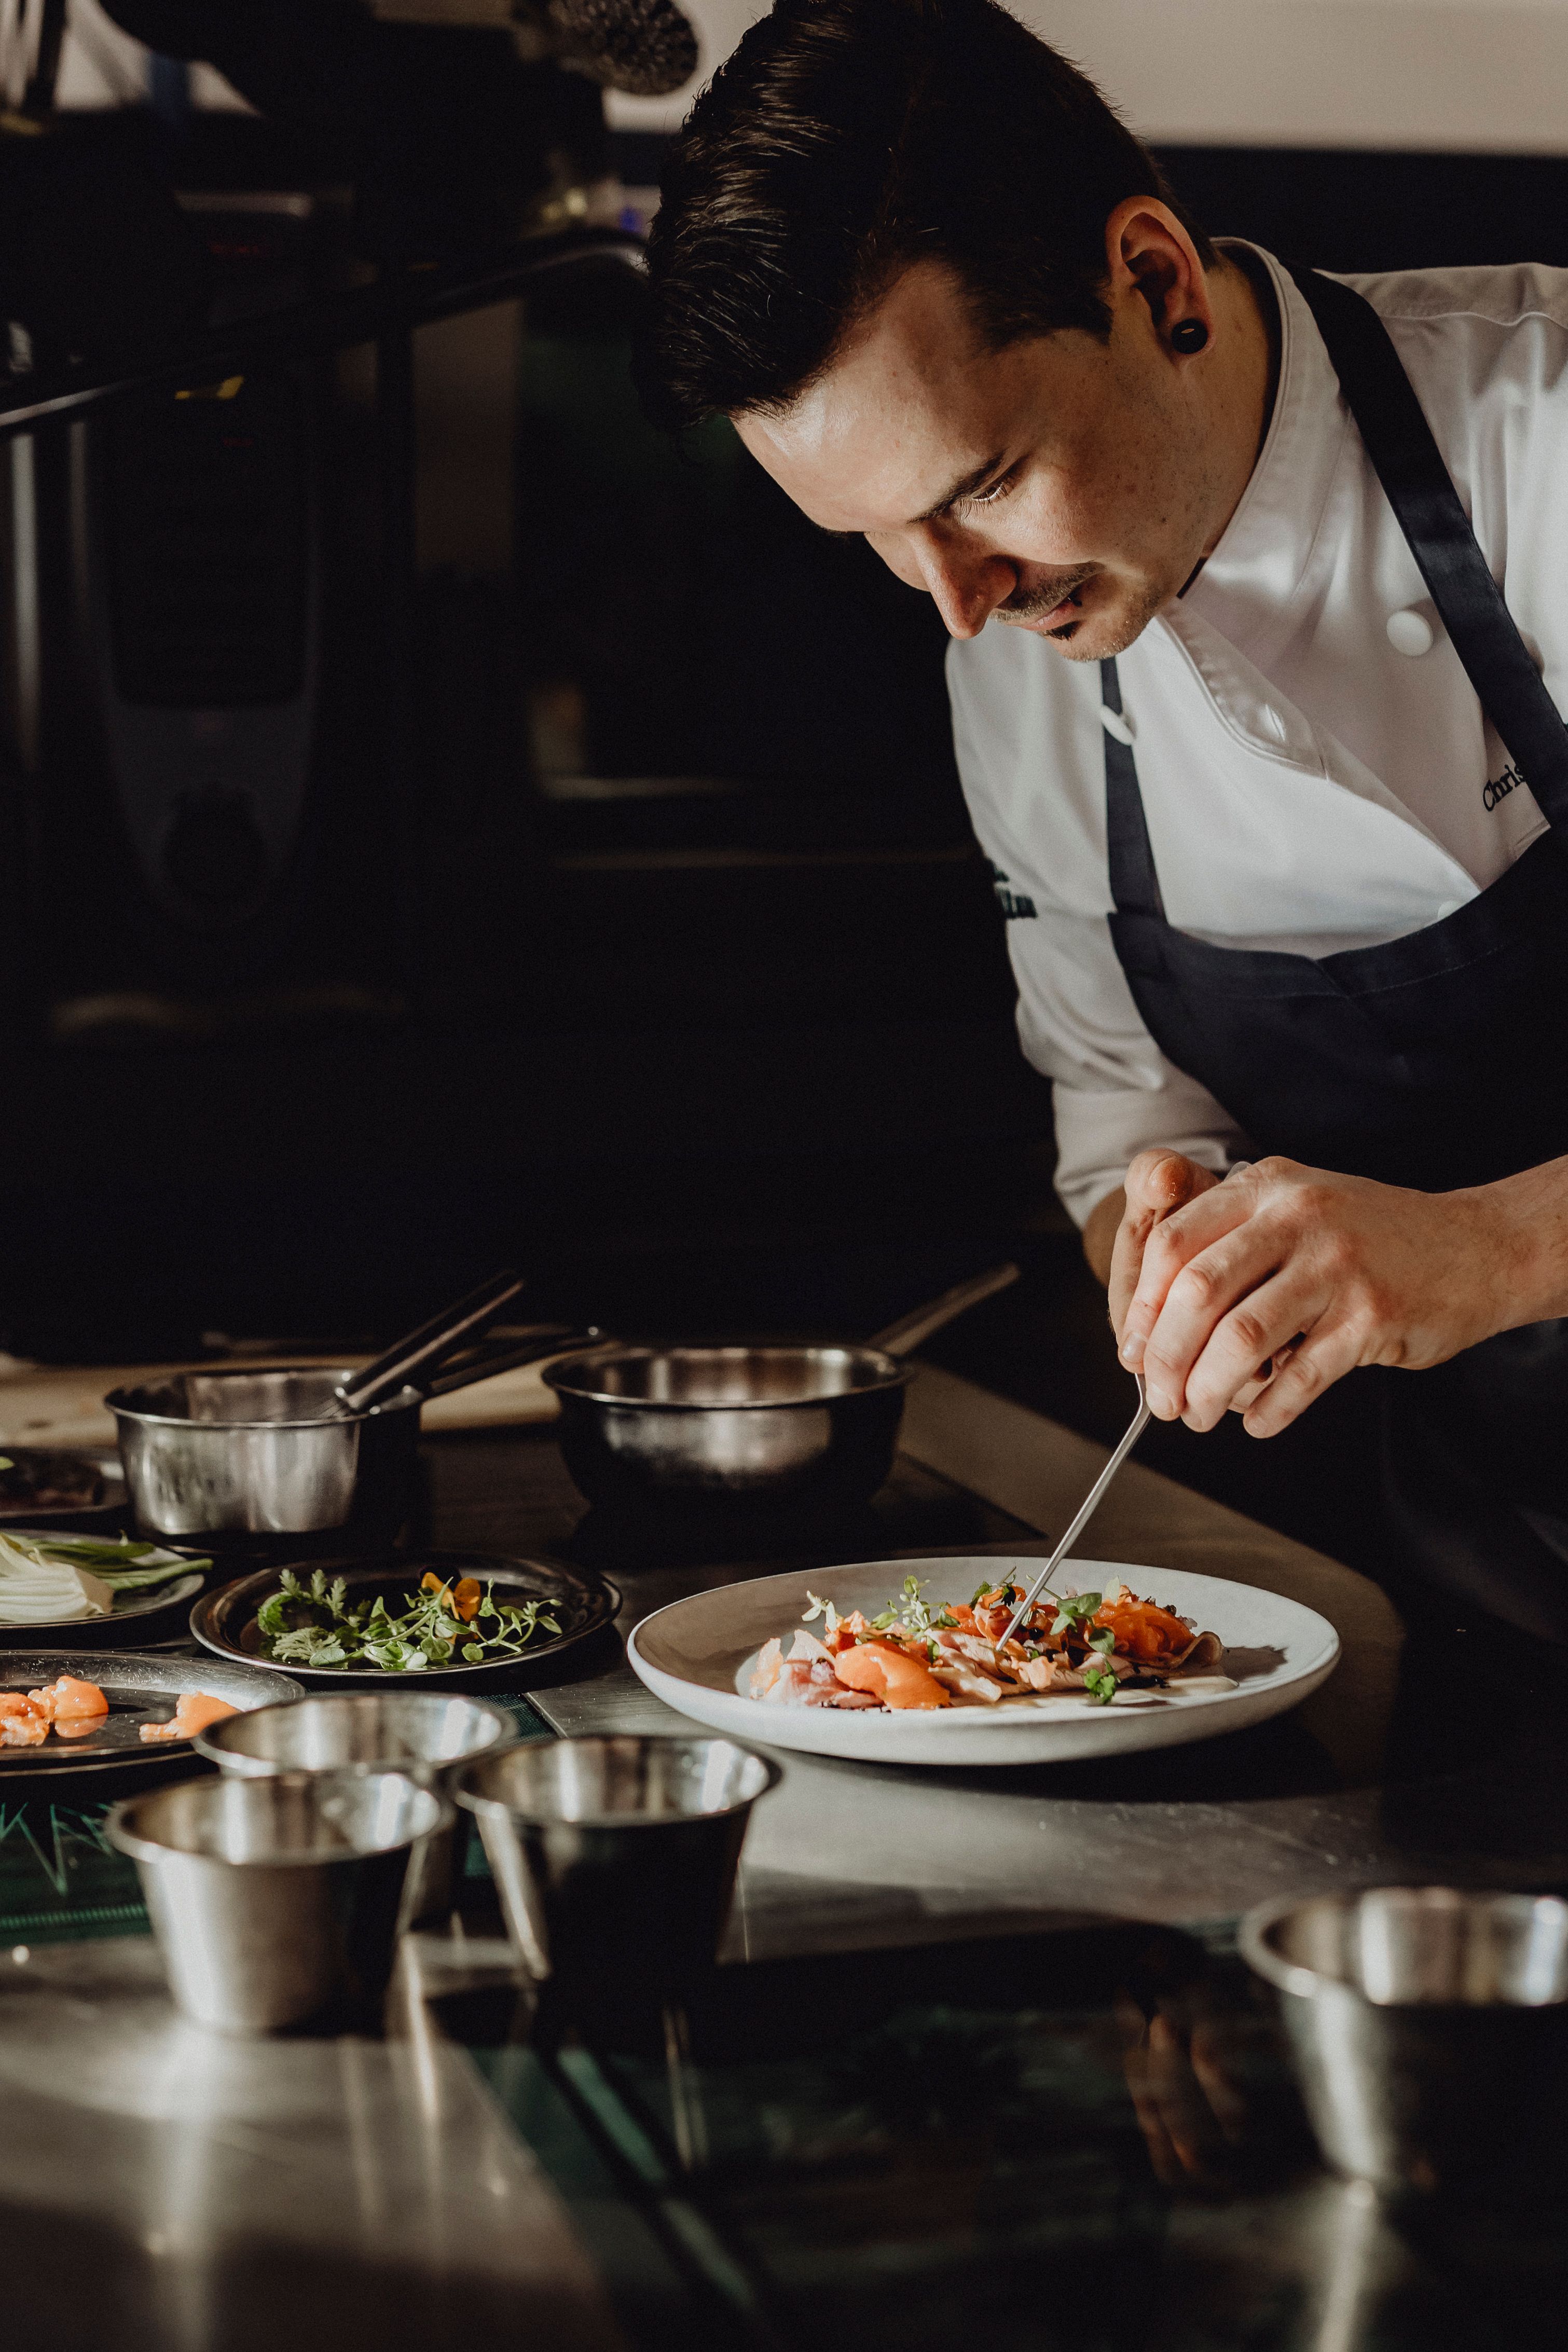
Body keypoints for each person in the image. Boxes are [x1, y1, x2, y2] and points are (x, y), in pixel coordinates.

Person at [634, 0, 1568, 1640]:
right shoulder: (1020, 647)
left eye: (979, 484)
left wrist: (1486, 1250)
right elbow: (1130, 1108)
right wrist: (1166, 1247)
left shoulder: (1546, 441)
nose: (957, 605)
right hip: (1493, 1561)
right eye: (877, 538)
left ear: (1152, 280)